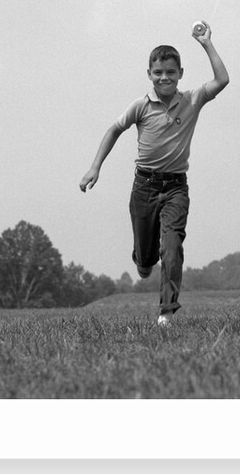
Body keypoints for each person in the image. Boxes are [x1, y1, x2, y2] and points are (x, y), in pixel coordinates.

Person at [79, 22, 229, 326]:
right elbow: (113, 130)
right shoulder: (141, 106)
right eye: (158, 72)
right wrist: (95, 167)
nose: (165, 78)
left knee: (171, 247)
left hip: (176, 188)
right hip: (144, 187)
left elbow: (222, 79)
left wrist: (206, 44)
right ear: (149, 74)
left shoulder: (192, 100)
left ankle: (167, 311)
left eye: (171, 72)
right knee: (147, 259)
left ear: (180, 74)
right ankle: (143, 260)